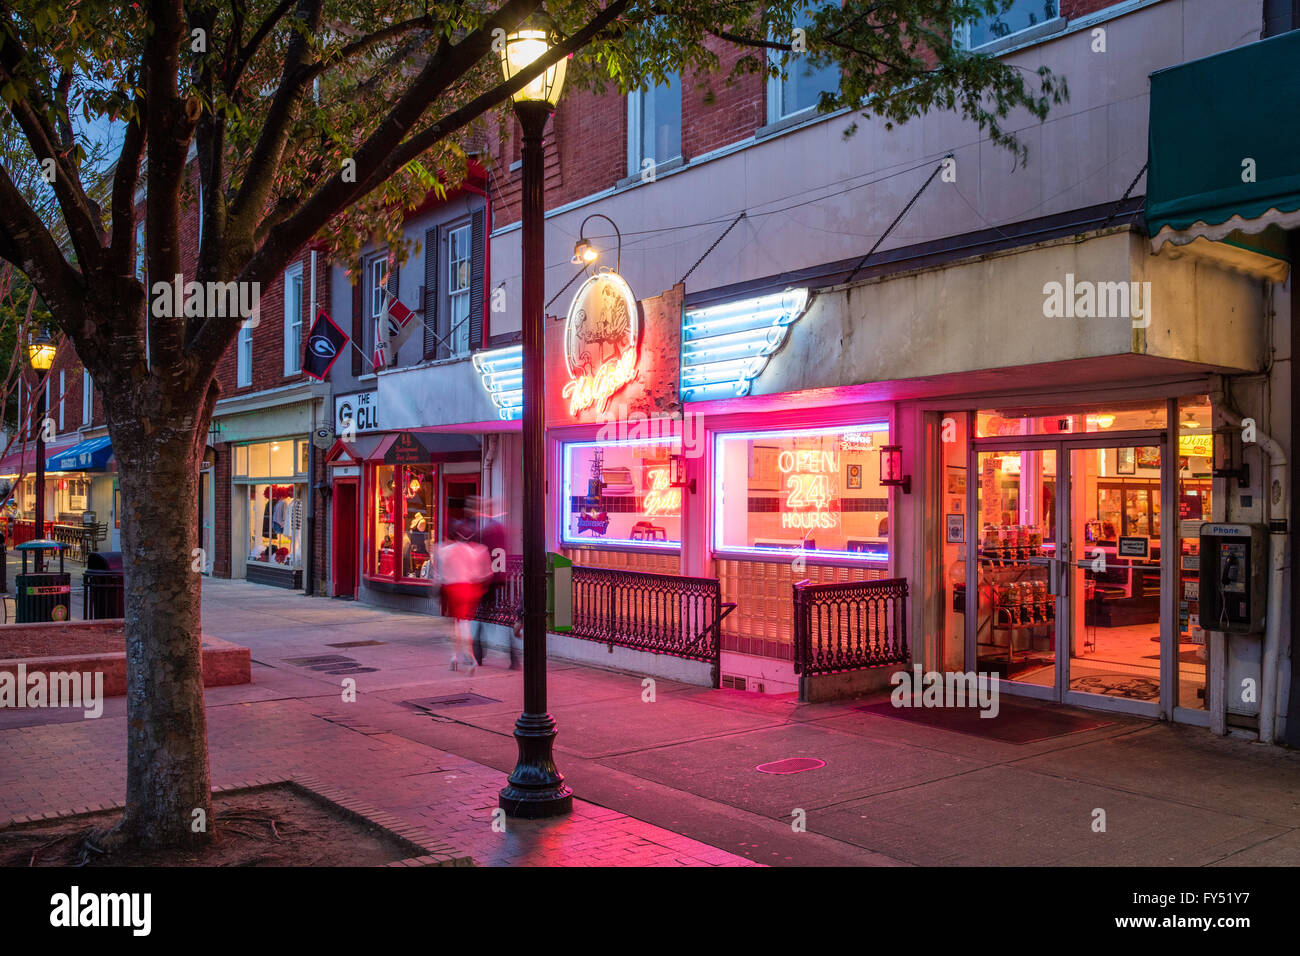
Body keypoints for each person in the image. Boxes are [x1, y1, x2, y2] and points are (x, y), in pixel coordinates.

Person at [468, 497, 515, 668]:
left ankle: (479, 654)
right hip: (499, 578)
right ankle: (510, 656)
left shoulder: (487, 530)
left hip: (488, 580)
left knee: (481, 618)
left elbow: (483, 556)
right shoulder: (499, 528)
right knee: (500, 619)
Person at [438, 527, 490, 675]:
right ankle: (464, 657)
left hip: (452, 588)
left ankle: (461, 657)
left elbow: (440, 574)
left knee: (456, 623)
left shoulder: (445, 551)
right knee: (464, 622)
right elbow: (480, 574)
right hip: (467, 588)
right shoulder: (471, 551)